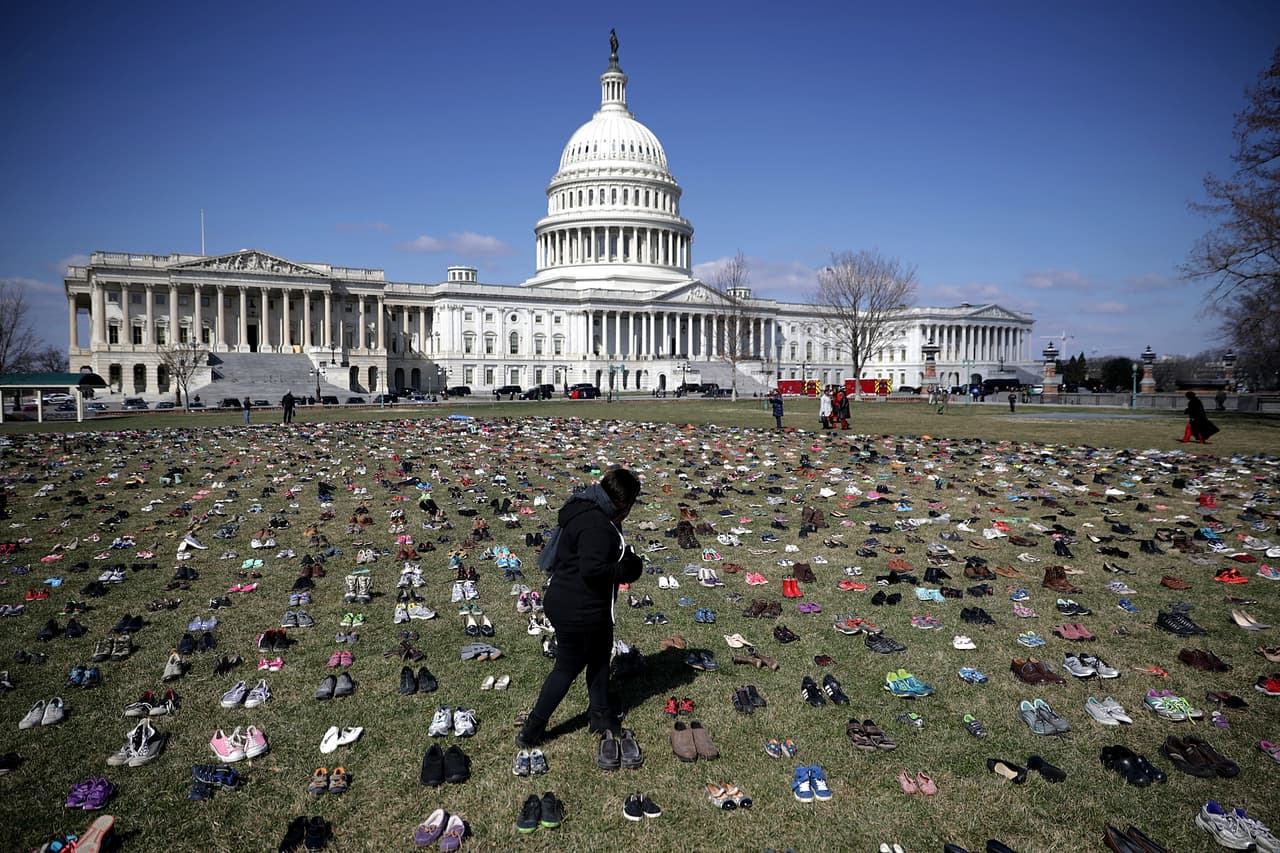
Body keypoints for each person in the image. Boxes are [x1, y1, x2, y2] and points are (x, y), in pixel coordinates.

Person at [516, 467, 644, 747]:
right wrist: (626, 570)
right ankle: (532, 729)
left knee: (599, 657)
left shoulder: (586, 506)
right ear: (623, 502)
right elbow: (593, 570)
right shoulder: (597, 525)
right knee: (567, 667)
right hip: (578, 606)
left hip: (578, 600)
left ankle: (600, 715)